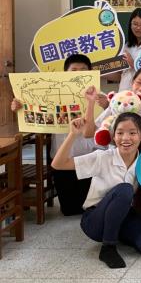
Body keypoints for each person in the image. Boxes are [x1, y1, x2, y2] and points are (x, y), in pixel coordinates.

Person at [51, 113, 141, 268]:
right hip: (95, 220)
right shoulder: (102, 157)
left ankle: (118, 233)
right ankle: (108, 247)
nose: (126, 138)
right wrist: (72, 134)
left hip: (125, 216)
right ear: (113, 137)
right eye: (120, 133)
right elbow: (58, 164)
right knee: (124, 190)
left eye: (132, 133)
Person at [11, 54, 103, 216]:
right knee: (69, 209)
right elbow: (32, 115)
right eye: (73, 70)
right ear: (64, 72)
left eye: (83, 70)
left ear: (91, 72)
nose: (78, 74)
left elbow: (91, 133)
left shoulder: (100, 98)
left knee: (90, 207)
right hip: (62, 159)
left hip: (90, 158)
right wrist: (19, 108)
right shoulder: (52, 93)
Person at [83, 67, 141, 145]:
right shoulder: (117, 104)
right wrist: (91, 102)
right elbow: (88, 133)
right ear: (132, 83)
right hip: (110, 156)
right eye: (139, 82)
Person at [112, 8, 141, 91]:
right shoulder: (126, 46)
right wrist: (98, 72)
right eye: (135, 24)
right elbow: (121, 74)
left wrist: (133, 64)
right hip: (123, 94)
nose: (138, 28)